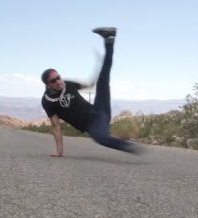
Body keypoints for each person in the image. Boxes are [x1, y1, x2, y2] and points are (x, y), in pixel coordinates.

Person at [41, 27, 139, 157]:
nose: (59, 82)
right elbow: (56, 127)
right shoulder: (47, 101)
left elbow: (90, 85)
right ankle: (131, 147)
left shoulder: (68, 84)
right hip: (92, 125)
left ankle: (109, 39)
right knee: (100, 138)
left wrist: (97, 66)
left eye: (59, 77)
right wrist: (59, 152)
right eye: (54, 81)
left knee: (103, 78)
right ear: (48, 85)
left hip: (99, 110)